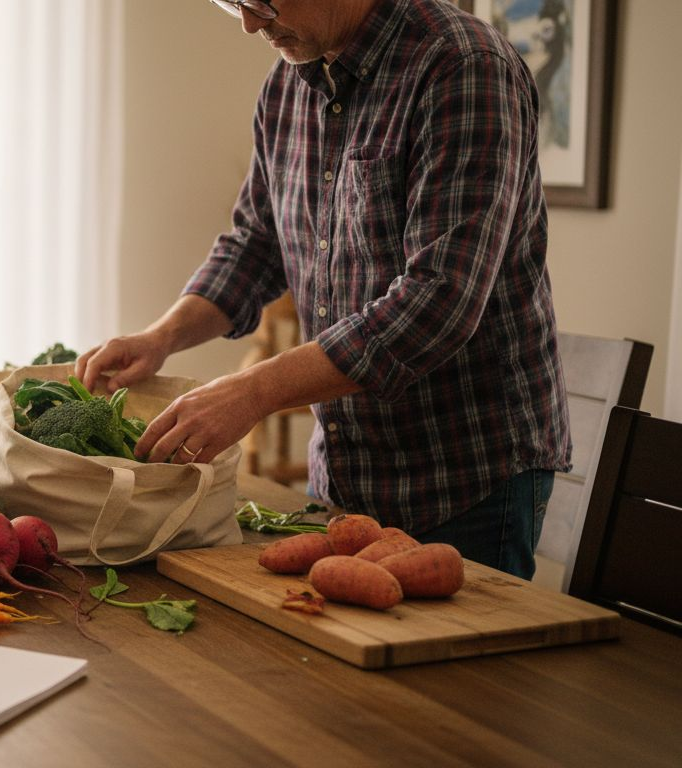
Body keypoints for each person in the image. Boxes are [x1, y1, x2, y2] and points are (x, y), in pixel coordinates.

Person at [75, 0, 570, 580]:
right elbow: (256, 244)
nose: (249, 24)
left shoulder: (464, 68)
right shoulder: (288, 86)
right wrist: (161, 338)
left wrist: (254, 391)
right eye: (231, 1)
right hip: (344, 466)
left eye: (262, 1)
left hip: (464, 474)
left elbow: (439, 300)